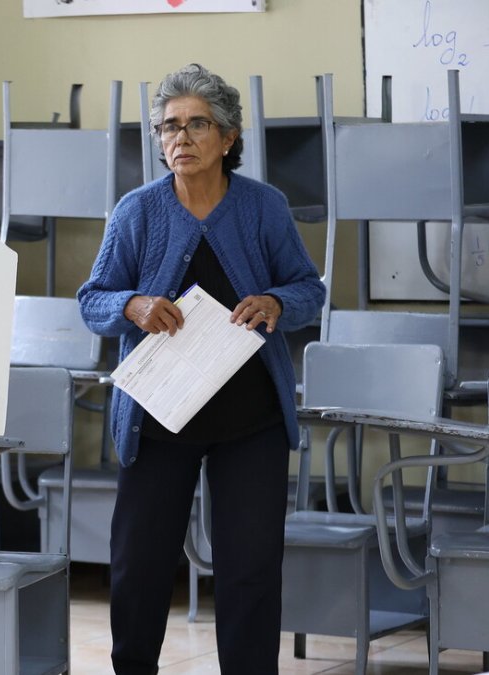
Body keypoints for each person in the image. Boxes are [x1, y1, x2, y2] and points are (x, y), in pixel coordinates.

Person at [77, 64, 325, 675]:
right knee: (139, 565)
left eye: (196, 125)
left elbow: (307, 289)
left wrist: (274, 302)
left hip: (252, 421)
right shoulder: (136, 212)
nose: (179, 139)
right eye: (168, 128)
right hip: (158, 417)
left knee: (251, 568)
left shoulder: (264, 207)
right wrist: (131, 304)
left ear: (229, 136)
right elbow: (93, 301)